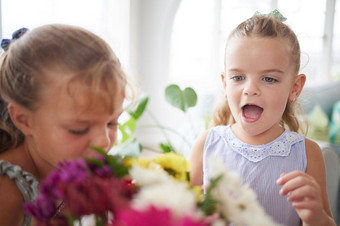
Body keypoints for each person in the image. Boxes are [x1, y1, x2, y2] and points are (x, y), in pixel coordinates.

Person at [189, 10, 336, 226]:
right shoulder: (206, 145)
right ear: (225, 83)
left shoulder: (308, 154)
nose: (250, 89)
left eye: (268, 78)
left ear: (295, 88)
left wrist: (316, 218)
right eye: (238, 77)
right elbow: (181, 216)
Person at [0, 24, 130, 226]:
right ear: (24, 120)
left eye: (112, 122)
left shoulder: (68, 167)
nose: (104, 141)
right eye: (79, 129)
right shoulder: (7, 192)